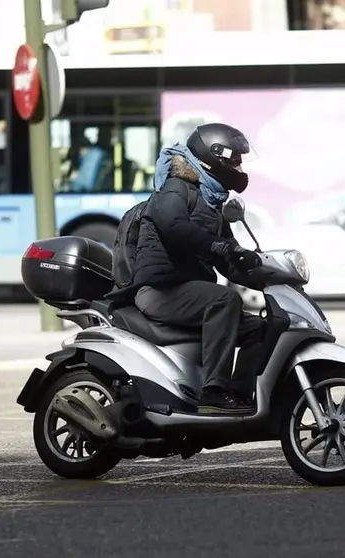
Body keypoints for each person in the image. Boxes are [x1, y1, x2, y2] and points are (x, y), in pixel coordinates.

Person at [131, 123, 265, 414]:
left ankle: (239, 396)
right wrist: (219, 246)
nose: (240, 169)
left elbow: (228, 261)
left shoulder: (212, 202)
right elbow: (174, 228)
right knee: (225, 299)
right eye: (235, 161)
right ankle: (214, 393)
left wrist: (265, 275)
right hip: (160, 289)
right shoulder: (175, 188)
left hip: (189, 292)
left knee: (260, 328)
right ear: (214, 157)